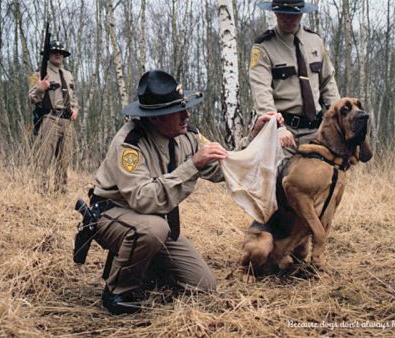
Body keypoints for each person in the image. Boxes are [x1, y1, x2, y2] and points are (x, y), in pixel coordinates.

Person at [89, 70, 232, 315]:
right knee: (152, 229)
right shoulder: (130, 144)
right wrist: (192, 165)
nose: (186, 115)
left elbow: (221, 171)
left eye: (185, 107)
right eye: (179, 111)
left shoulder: (188, 134)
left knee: (204, 286)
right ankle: (117, 291)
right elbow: (143, 200)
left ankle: (145, 269)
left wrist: (258, 137)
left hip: (155, 222)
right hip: (113, 216)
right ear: (155, 118)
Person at [250, 0, 340, 156]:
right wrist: (276, 128)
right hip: (284, 131)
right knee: (279, 178)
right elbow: (261, 91)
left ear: (302, 13)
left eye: (294, 14)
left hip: (316, 131)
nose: (289, 19)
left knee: (323, 177)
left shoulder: (316, 41)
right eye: (284, 14)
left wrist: (338, 117)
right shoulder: (264, 47)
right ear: (275, 12)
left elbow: (328, 83)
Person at [28, 40, 79, 194]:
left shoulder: (68, 75)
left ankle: (61, 193)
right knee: (44, 159)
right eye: (55, 52)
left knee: (64, 161)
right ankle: (40, 193)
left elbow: (73, 96)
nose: (58, 54)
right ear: (48, 54)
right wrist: (40, 88)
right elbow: (31, 98)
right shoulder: (38, 73)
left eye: (61, 52)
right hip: (50, 119)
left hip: (67, 121)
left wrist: (75, 109)